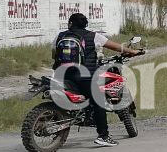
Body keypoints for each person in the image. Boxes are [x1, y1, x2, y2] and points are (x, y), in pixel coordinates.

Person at [52, 12, 142, 148]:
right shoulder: (93, 36)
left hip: (61, 75)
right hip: (84, 77)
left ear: (70, 23)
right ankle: (103, 136)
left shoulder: (60, 36)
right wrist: (133, 51)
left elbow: (54, 54)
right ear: (86, 25)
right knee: (99, 100)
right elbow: (116, 47)